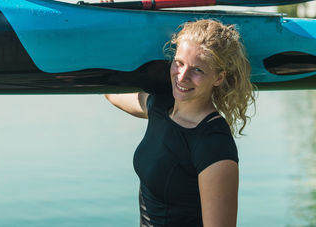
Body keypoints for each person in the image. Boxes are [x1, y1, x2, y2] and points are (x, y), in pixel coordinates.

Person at [105, 19, 256, 227]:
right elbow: (111, 92)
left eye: (198, 70)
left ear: (218, 78)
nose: (182, 76)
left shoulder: (214, 144)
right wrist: (110, 26)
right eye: (179, 63)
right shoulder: (159, 105)